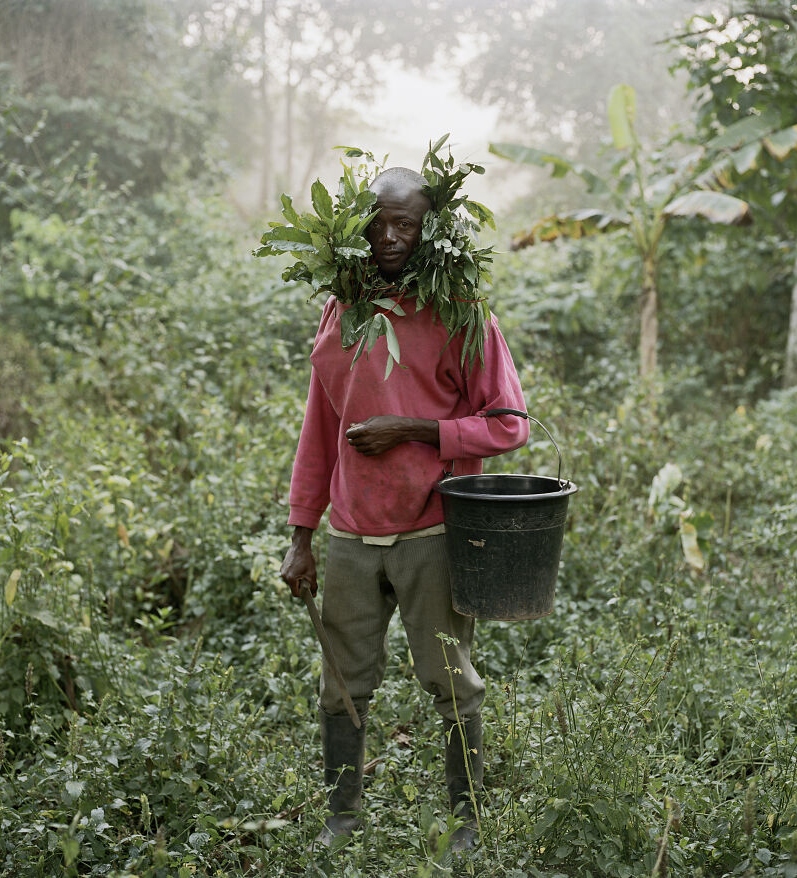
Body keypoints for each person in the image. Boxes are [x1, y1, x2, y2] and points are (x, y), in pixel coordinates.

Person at [280, 166, 529, 851]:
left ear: (430, 231)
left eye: (406, 225)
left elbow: (509, 423)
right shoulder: (341, 308)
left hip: (433, 529)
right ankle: (341, 820)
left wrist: (414, 430)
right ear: (357, 228)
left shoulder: (463, 313)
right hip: (351, 535)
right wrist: (302, 534)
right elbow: (318, 430)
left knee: (451, 683)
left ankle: (466, 826)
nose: (391, 238)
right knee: (341, 683)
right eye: (379, 224)